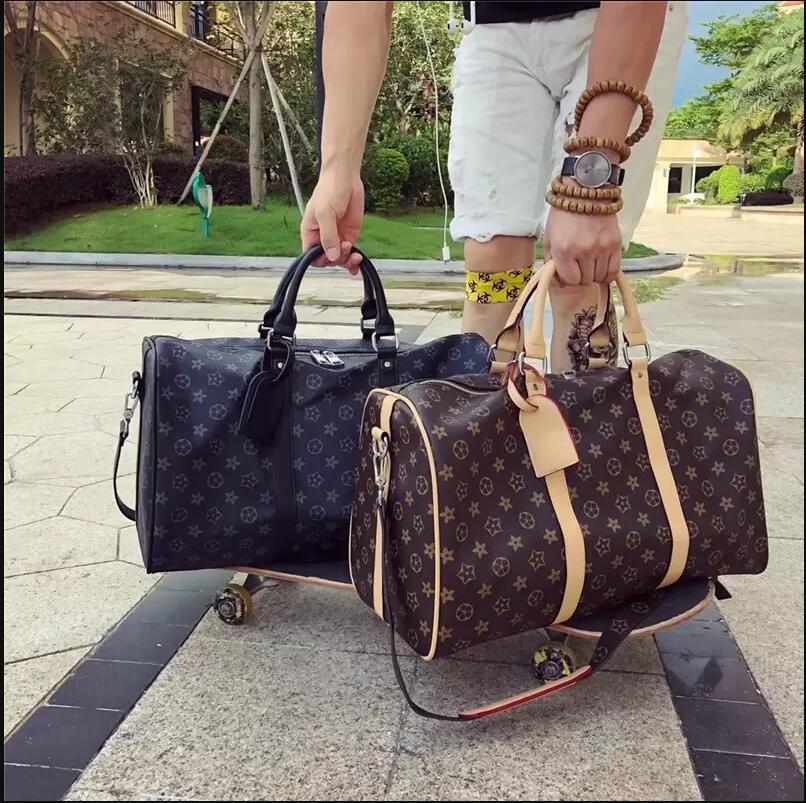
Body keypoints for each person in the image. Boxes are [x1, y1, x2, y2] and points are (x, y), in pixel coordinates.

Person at [301, 1, 687, 371]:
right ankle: (484, 412)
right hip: (494, 28)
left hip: (616, 22)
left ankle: (581, 414)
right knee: (492, 260)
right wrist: (337, 172)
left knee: (578, 269)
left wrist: (591, 182)